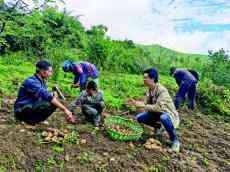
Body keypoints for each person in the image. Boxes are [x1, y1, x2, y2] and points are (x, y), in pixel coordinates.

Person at [14, 60, 75, 125]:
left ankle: (36, 120)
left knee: (54, 103)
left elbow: (46, 95)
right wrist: (65, 110)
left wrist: (54, 95)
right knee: (49, 104)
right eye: (50, 71)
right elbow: (48, 97)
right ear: (42, 71)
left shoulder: (41, 81)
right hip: (22, 109)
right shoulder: (32, 82)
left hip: (30, 105)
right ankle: (26, 120)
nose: (50, 74)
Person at [133, 68, 180, 152]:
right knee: (139, 118)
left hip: (167, 114)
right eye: (143, 78)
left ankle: (175, 140)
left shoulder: (162, 90)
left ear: (153, 78)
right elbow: (146, 104)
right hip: (156, 114)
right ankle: (158, 128)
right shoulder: (149, 90)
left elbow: (157, 108)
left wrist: (143, 105)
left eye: (145, 78)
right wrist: (136, 103)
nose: (143, 80)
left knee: (164, 118)